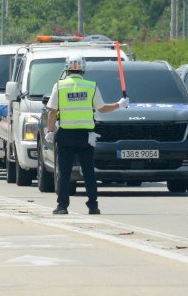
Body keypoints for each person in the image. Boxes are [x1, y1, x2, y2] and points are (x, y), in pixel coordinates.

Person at [45, 55, 128, 215]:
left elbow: (52, 111)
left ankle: (62, 206)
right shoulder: (91, 86)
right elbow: (102, 108)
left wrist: (49, 131)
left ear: (67, 68)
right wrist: (120, 104)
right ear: (83, 68)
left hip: (66, 135)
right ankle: (93, 206)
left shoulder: (60, 86)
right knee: (89, 172)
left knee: (64, 172)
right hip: (86, 136)